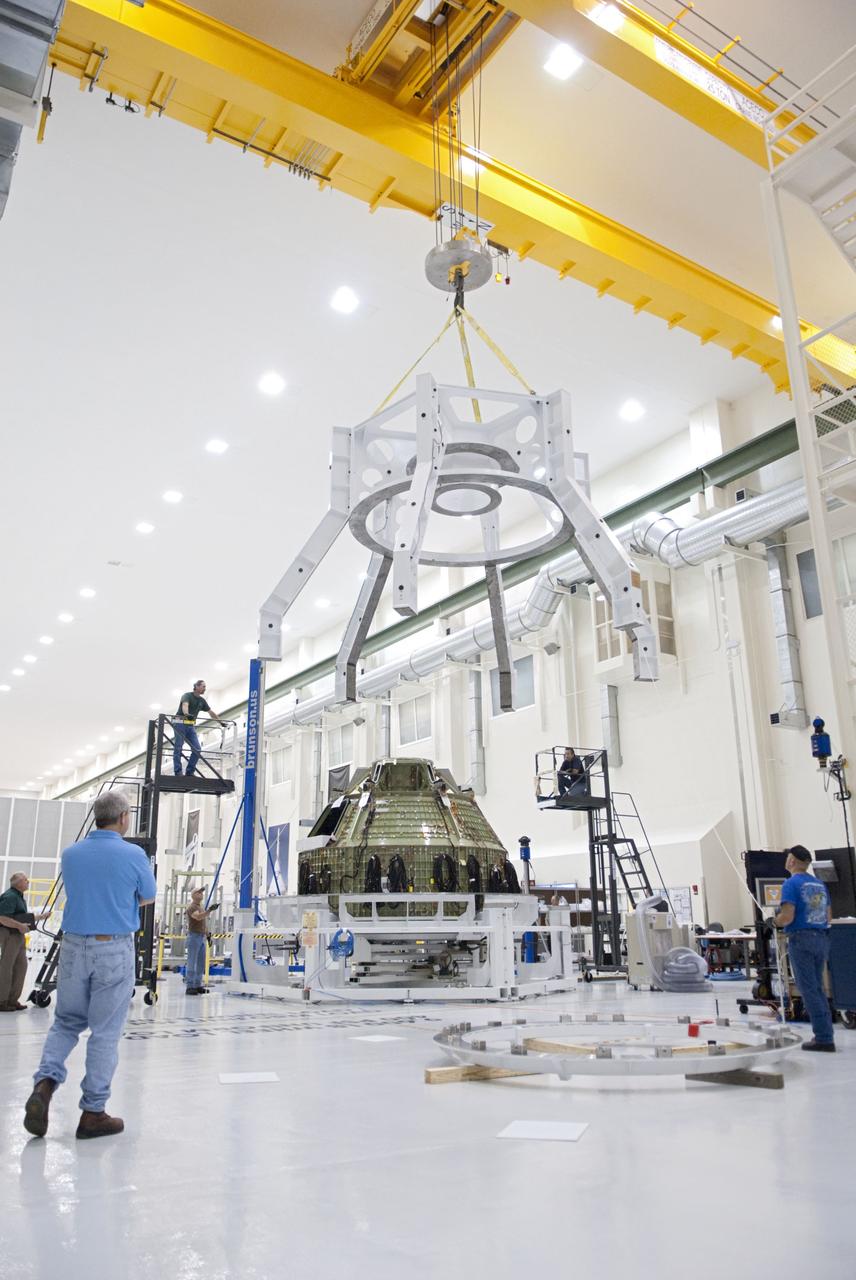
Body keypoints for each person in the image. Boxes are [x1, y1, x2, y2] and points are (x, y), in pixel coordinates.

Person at [23, 789, 157, 1140]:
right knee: (104, 1032)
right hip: (112, 948)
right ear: (124, 817)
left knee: (65, 1022)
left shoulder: (72, 854)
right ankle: (93, 1112)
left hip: (73, 946)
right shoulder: (134, 854)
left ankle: (44, 1085)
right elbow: (148, 895)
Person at [772, 844, 834, 1052]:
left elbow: (787, 916)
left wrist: (774, 921)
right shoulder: (819, 884)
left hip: (801, 939)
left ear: (791, 861)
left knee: (808, 990)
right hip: (822, 938)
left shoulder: (791, 884)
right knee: (818, 988)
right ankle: (826, 1033)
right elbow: (828, 916)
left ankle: (824, 1038)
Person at [0, 873, 50, 1012]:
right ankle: (2, 1000)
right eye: (25, 880)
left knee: (21, 966)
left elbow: (20, 917)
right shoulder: (10, 896)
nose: (28, 882)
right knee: (6, 967)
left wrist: (41, 917)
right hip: (9, 935)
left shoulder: (19, 897)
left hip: (18, 935)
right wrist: (19, 926)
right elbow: (2, 918)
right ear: (18, 883)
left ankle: (12, 999)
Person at [173, 679, 225, 776]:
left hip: (190, 724)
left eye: (205, 687)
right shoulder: (187, 696)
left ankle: (189, 771)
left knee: (197, 749)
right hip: (179, 722)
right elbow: (185, 705)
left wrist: (220, 722)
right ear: (196, 686)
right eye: (203, 686)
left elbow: (211, 712)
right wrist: (186, 714)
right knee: (178, 746)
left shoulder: (202, 701)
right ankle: (178, 771)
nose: (205, 688)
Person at [185, 887, 218, 995]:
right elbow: (198, 917)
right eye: (198, 892)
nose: (201, 894)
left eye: (201, 892)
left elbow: (203, 923)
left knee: (200, 963)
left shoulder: (201, 907)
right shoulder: (191, 907)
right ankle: (190, 986)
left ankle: (197, 985)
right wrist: (209, 911)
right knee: (192, 961)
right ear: (193, 895)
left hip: (201, 937)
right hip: (194, 937)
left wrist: (208, 935)